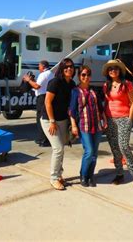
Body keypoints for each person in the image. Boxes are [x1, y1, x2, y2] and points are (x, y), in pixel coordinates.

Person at [102, 59, 133, 188]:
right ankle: (120, 174)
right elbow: (106, 103)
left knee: (124, 147)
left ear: (119, 70)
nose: (112, 70)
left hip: (123, 119)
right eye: (110, 69)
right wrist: (104, 119)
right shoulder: (106, 85)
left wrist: (130, 120)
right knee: (115, 149)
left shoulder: (127, 84)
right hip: (110, 119)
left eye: (115, 68)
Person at [42, 58, 76, 190]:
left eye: (71, 67)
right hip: (49, 120)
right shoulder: (55, 82)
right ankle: (54, 178)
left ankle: (59, 175)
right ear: (61, 69)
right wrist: (52, 121)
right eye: (66, 67)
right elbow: (47, 102)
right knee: (58, 149)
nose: (69, 69)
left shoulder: (72, 84)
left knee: (61, 148)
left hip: (63, 120)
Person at [69, 65, 105, 187]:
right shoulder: (75, 91)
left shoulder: (94, 90)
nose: (86, 77)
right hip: (84, 125)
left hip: (97, 125)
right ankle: (83, 175)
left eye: (88, 74)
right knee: (89, 151)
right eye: (83, 74)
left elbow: (100, 107)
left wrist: (104, 119)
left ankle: (90, 175)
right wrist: (74, 126)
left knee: (94, 153)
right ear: (79, 76)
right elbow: (72, 110)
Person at [22, 60, 53, 147]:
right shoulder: (50, 73)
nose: (38, 68)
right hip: (47, 96)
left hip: (42, 98)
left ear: (43, 66)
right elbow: (39, 84)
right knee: (45, 118)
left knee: (40, 119)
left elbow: (37, 86)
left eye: (39, 66)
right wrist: (33, 80)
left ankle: (43, 139)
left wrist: (28, 80)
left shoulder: (43, 74)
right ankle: (46, 138)